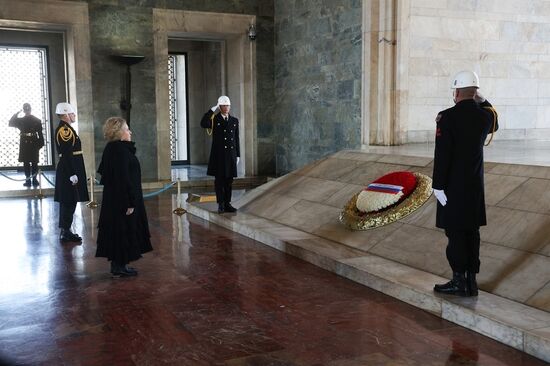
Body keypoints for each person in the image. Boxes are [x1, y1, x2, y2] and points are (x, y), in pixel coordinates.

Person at [432, 70, 499, 297]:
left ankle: (459, 281)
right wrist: (482, 99)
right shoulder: (485, 117)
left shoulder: (447, 117)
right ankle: (471, 281)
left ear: (457, 92)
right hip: (474, 187)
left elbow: (443, 155)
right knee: (472, 232)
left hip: (452, 187)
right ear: (475, 92)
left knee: (456, 233)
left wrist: (438, 185)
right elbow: (494, 120)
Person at [96, 117, 152, 277]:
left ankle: (118, 264)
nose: (130, 132)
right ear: (120, 133)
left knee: (119, 229)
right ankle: (120, 265)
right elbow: (123, 179)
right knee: (123, 230)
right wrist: (130, 202)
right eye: (127, 129)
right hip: (122, 200)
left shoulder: (112, 148)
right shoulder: (120, 151)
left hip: (115, 199)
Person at [54, 102, 89, 242]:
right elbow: (67, 153)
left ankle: (66, 229)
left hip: (71, 167)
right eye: (72, 113)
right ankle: (65, 231)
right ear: (65, 114)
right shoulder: (65, 131)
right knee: (68, 200)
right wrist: (72, 173)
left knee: (70, 199)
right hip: (70, 168)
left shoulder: (67, 128)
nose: (74, 115)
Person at [200, 95, 240, 213]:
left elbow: (236, 139)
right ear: (219, 107)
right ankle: (221, 204)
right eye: (223, 105)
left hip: (231, 155)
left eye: (228, 105)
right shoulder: (214, 119)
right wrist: (211, 111)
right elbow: (203, 123)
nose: (226, 107)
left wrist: (238, 154)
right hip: (219, 155)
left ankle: (227, 203)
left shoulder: (234, 121)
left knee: (229, 181)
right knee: (219, 181)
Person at [8, 103, 44, 187]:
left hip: (34, 142)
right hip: (24, 143)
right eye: (25, 109)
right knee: (26, 162)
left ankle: (34, 179)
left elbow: (40, 134)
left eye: (28, 109)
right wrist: (17, 113)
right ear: (24, 110)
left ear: (30, 110)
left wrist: (40, 144)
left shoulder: (37, 120)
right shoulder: (21, 120)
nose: (27, 111)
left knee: (35, 162)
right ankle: (28, 180)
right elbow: (11, 122)